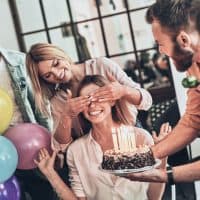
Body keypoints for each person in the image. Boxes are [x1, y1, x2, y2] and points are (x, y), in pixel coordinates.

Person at [35, 75, 170, 200]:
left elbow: (153, 197)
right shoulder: (76, 151)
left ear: (112, 101)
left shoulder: (141, 138)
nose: (92, 105)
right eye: (86, 101)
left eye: (99, 98)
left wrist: (162, 156)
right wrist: (50, 174)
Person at [124, 0, 200, 184]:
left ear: (183, 40)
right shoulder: (193, 67)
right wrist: (147, 156)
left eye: (160, 43)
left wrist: (166, 175)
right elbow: (193, 121)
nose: (160, 50)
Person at [26, 42, 152, 152]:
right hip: (95, 149)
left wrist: (124, 91)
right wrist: (67, 116)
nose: (58, 74)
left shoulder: (102, 66)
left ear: (61, 54)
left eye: (56, 63)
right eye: (48, 75)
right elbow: (60, 146)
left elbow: (147, 101)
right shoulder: (58, 101)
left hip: (131, 134)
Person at [0, 47, 55, 199]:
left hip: (30, 145)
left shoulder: (19, 61)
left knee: (45, 192)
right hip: (1, 153)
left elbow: (41, 107)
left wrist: (51, 144)